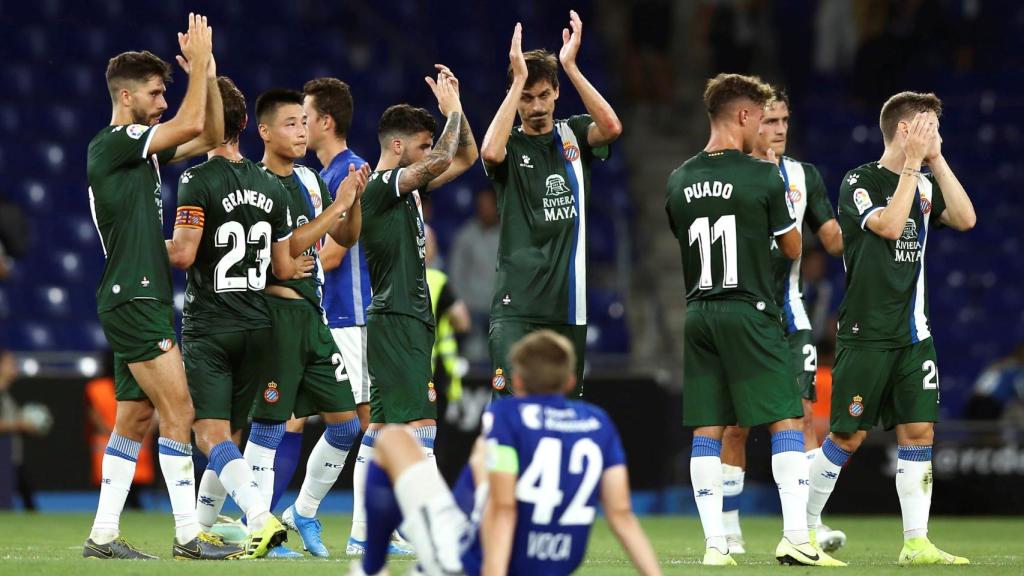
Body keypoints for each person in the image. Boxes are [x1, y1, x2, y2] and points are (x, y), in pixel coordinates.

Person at [664, 73, 844, 566]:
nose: (766, 127)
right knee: (788, 417)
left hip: (698, 312)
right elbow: (794, 247)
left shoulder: (678, 179)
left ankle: (716, 545)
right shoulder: (764, 176)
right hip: (751, 309)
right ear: (744, 116)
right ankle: (797, 536)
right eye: (762, 118)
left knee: (708, 427)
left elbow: (685, 235)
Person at [83, 13, 236, 560]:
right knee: (181, 412)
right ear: (125, 97)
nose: (162, 103)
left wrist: (208, 74)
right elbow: (192, 122)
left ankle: (103, 536)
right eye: (154, 94)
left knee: (137, 417)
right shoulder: (114, 142)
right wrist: (200, 65)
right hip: (135, 296)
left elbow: (211, 134)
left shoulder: (137, 152)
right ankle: (189, 536)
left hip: (134, 296)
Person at [806, 91, 977, 566]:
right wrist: (913, 167)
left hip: (914, 333)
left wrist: (935, 160)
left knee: (919, 432)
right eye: (929, 127)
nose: (936, 134)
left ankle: (916, 542)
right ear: (905, 130)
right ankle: (804, 525)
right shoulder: (859, 180)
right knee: (848, 437)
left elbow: (966, 218)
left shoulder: (924, 181)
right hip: (866, 333)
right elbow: (889, 226)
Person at [350, 330, 661, 576]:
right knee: (482, 459)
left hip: (470, 561)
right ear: (569, 381)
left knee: (393, 440)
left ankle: (371, 568)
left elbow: (503, 508)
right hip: (555, 564)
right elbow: (621, 514)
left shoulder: (507, 414)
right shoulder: (598, 422)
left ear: (519, 381)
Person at [166, 75, 310, 559]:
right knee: (229, 435)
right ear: (246, 123)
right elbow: (283, 266)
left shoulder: (197, 179)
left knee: (207, 434)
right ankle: (203, 528)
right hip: (258, 324)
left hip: (212, 324)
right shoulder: (270, 183)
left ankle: (260, 517)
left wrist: (138, 245)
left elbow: (184, 255)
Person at [350, 64, 478, 543]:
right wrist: (452, 112)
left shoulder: (409, 189)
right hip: (399, 316)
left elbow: (465, 156)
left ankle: (364, 532)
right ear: (399, 147)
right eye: (422, 146)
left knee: (382, 429)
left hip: (404, 318)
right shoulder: (383, 187)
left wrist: (457, 113)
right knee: (422, 425)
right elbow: (444, 157)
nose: (430, 155)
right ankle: (428, 527)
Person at [719, 87, 847, 555]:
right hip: (740, 314)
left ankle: (809, 525)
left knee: (803, 414)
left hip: (790, 315)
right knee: (736, 426)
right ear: (749, 122)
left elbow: (832, 239)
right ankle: (728, 528)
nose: (778, 130)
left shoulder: (803, 175)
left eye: (784, 121)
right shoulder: (727, 173)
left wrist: (869, 219)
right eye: (769, 121)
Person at [243, 88, 369, 558]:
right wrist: (337, 207)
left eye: (304, 122)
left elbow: (346, 236)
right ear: (265, 132)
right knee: (270, 425)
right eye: (291, 124)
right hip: (274, 317)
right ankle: (259, 528)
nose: (301, 132)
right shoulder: (255, 184)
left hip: (314, 317)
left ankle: (302, 511)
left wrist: (352, 201)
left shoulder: (312, 181)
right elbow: (285, 252)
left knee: (346, 425)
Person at [480, 12, 622, 399]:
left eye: (544, 95)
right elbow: (489, 152)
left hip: (568, 306)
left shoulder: (574, 133)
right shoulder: (510, 145)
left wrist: (570, 66)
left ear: (556, 92)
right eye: (527, 98)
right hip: (516, 306)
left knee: (562, 409)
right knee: (510, 406)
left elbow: (611, 128)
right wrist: (517, 81)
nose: (537, 106)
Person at [298, 77, 388, 555]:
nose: (301, 125)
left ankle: (355, 527)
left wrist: (291, 259)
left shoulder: (346, 173)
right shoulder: (331, 174)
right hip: (343, 318)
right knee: (359, 424)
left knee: (363, 424)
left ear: (326, 121)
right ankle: (331, 522)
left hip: (350, 315)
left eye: (306, 117)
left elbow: (332, 255)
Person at [85, 350, 155, 512]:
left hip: (108, 446)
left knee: (113, 496)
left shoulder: (95, 388)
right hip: (136, 444)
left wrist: (115, 436)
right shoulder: (140, 383)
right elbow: (152, 415)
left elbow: (94, 417)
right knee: (133, 497)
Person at [448, 188, 499, 361]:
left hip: (500, 308)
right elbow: (456, 274)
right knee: (474, 352)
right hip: (472, 308)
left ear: (497, 206)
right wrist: (462, 303)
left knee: (502, 354)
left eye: (489, 205)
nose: (485, 210)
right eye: (481, 206)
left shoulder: (508, 235)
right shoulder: (466, 235)